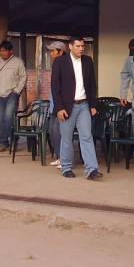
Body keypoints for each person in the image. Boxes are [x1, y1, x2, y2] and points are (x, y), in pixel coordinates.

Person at [51, 34, 102, 180]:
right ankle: (66, 168)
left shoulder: (88, 61)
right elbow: (55, 87)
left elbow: (92, 84)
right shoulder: (60, 62)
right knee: (66, 138)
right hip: (67, 106)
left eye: (82, 46)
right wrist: (59, 107)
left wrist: (93, 104)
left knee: (87, 136)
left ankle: (91, 169)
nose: (81, 49)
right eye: (78, 46)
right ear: (70, 46)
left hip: (84, 105)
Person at [0, 40, 27, 152]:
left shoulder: (18, 62)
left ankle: (13, 140)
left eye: (5, 51)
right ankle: (3, 142)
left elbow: (23, 77)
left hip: (12, 93)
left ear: (10, 51)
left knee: (9, 117)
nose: (2, 53)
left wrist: (17, 91)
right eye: (1, 51)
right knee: (0, 118)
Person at [45, 40, 66, 167]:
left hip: (61, 105)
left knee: (59, 132)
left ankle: (64, 159)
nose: (51, 53)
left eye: (53, 51)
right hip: (54, 104)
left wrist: (60, 106)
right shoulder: (56, 63)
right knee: (52, 131)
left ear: (61, 52)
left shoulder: (64, 64)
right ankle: (60, 157)